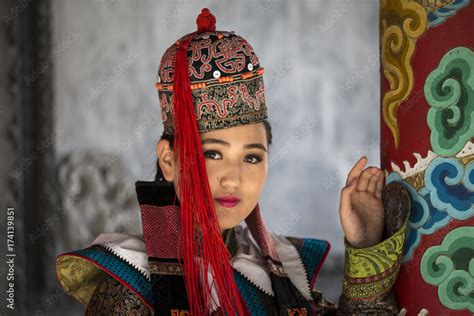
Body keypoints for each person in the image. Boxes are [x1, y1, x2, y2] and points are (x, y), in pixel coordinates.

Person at [56, 8, 410, 315]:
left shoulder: (277, 273)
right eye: (212, 153)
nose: (234, 179)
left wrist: (364, 245)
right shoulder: (132, 284)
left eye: (252, 157)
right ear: (168, 160)